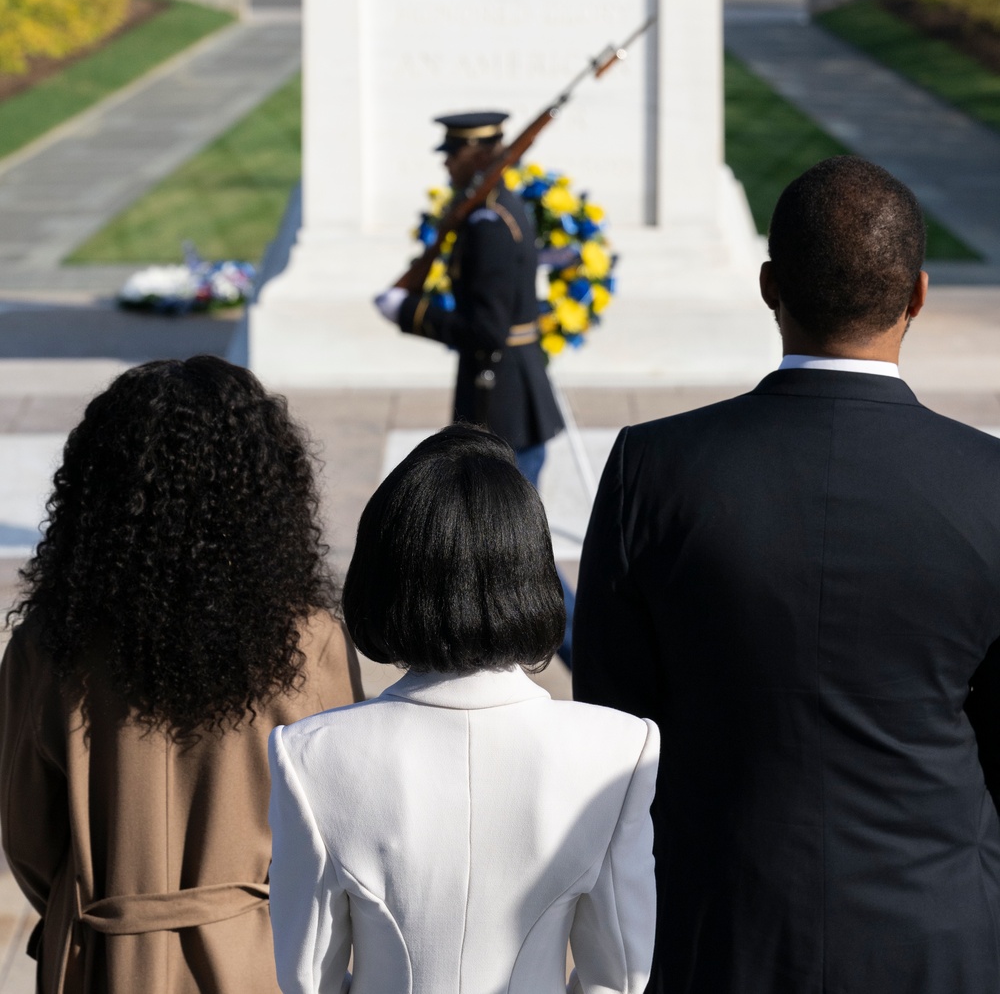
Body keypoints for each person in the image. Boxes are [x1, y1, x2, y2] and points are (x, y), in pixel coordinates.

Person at [574, 155, 1000, 994]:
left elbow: (614, 725)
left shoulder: (652, 469)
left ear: (769, 285)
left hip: (718, 925)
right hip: (938, 933)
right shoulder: (989, 484)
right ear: (918, 294)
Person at [0, 356, 362, 994]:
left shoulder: (47, 648)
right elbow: (341, 835)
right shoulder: (309, 644)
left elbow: (28, 838)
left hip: (98, 962)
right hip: (258, 963)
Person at [268, 423, 658, 994]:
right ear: (529, 570)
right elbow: (621, 974)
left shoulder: (310, 756)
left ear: (384, 575)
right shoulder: (620, 749)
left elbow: (307, 977)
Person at [375, 111, 563, 488]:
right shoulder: (497, 209)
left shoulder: (488, 226)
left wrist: (410, 312)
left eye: (453, 153)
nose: (445, 161)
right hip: (507, 392)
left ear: (478, 158)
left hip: (502, 402)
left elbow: (487, 331)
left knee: (500, 535)